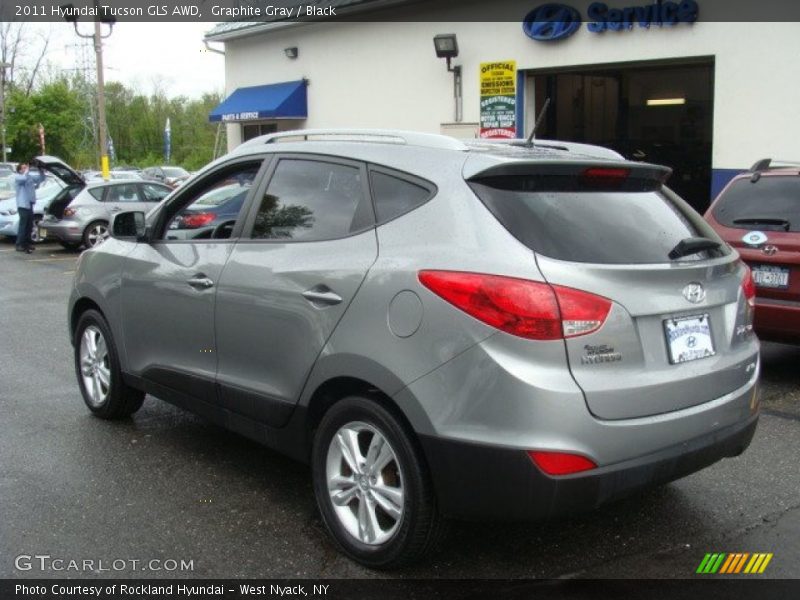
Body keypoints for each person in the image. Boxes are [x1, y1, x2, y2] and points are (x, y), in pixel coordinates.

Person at [14, 161, 45, 254]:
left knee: (29, 225)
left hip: (30, 204)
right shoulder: (18, 177)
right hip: (23, 205)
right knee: (23, 225)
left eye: (25, 167)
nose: (25, 169)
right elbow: (23, 178)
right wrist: (27, 170)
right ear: (19, 170)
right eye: (23, 168)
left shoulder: (29, 177)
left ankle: (27, 243)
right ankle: (19, 244)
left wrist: (41, 169)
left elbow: (41, 179)